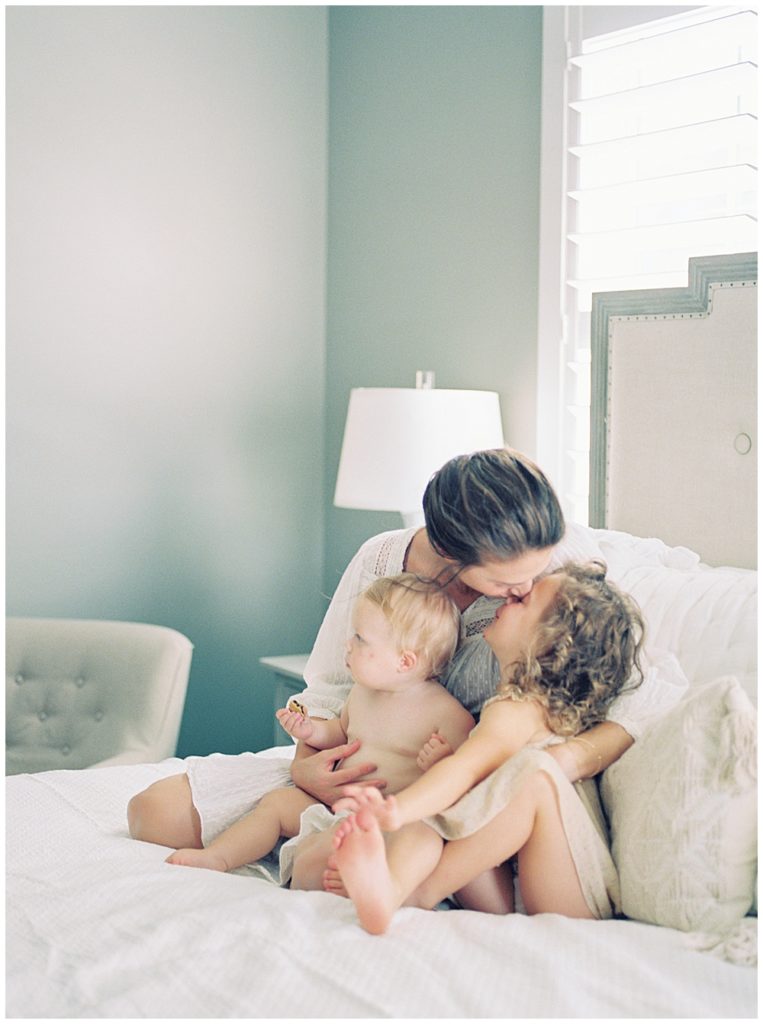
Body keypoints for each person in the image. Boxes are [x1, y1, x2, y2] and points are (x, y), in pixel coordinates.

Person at [127, 448, 686, 884]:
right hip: (360, 766)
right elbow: (329, 684)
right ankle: (327, 840)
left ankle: (361, 860)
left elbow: (648, 688)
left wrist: (565, 759)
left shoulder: (556, 571)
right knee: (152, 813)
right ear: (451, 553)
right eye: (504, 582)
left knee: (381, 845)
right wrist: (306, 764)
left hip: (441, 792)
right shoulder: (381, 559)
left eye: (531, 577)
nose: (523, 588)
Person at [326, 562, 645, 934]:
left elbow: (466, 769)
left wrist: (396, 810)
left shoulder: (522, 708)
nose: (510, 596)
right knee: (435, 816)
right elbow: (478, 781)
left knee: (535, 778)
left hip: (573, 892)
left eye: (524, 600)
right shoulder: (523, 704)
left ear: (550, 643)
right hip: (511, 885)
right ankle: (393, 887)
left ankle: (412, 893)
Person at [163, 574, 474, 877]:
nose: (348, 643)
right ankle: (218, 857)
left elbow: (468, 778)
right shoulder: (362, 693)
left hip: (388, 822)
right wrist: (309, 730)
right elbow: (340, 732)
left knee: (396, 846)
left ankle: (369, 880)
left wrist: (442, 761)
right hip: (333, 809)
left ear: (404, 661)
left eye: (360, 638)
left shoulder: (445, 714)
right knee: (276, 804)